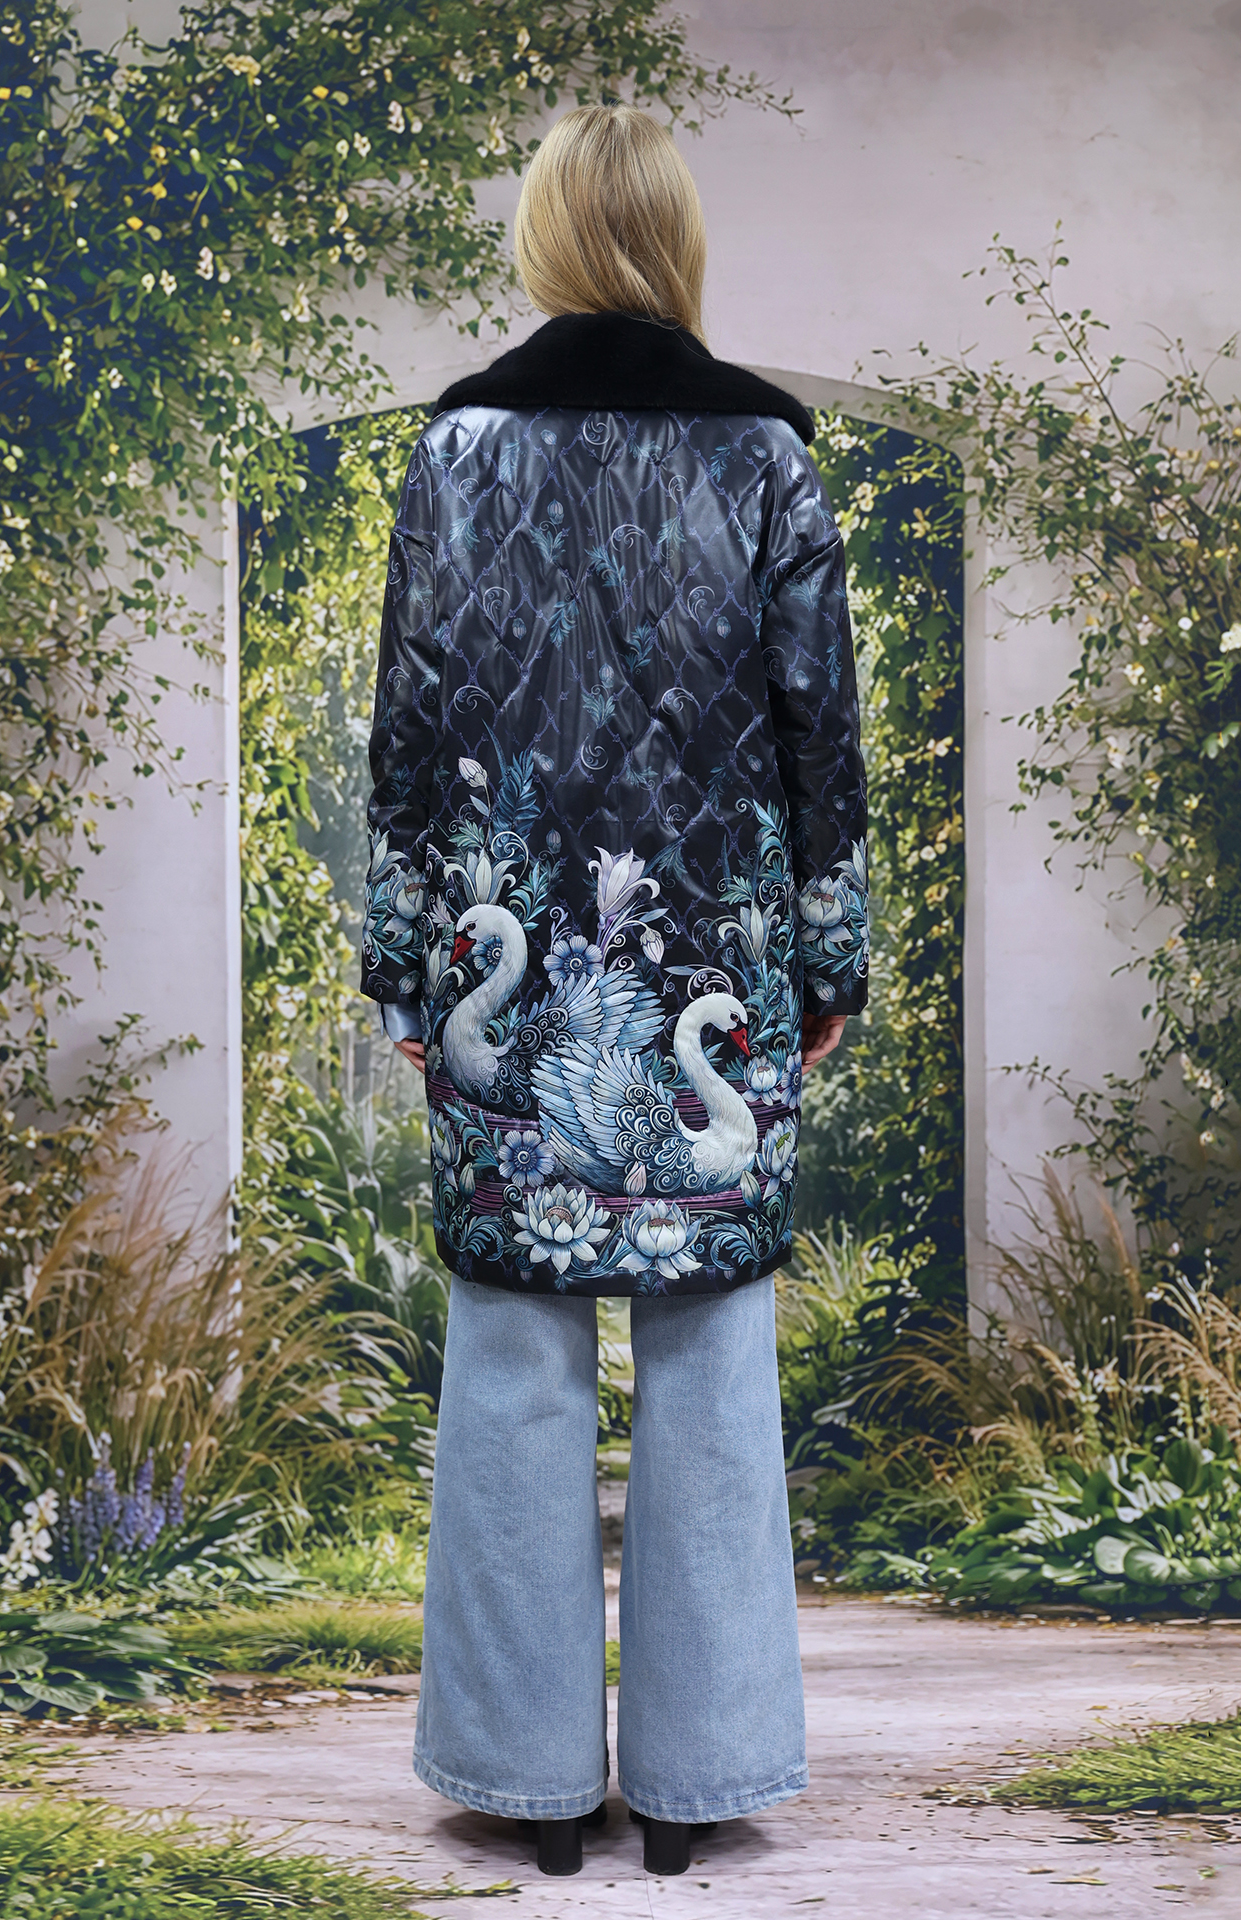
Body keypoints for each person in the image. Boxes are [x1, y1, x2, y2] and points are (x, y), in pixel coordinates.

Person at [360, 103, 868, 1880]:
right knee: (712, 1348)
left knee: (513, 1349)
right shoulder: (771, 460)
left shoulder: (457, 454)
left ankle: (521, 1788)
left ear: (550, 237)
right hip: (720, 970)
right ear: (678, 242)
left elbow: (408, 739)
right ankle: (704, 1779)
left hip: (511, 979)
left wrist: (406, 965)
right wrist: (829, 963)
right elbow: (822, 747)